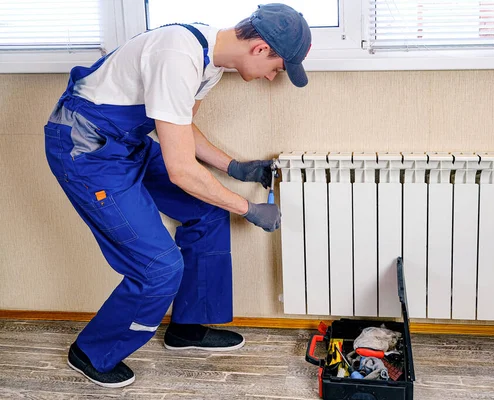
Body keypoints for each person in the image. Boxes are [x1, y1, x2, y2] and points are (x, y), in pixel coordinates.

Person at [43, 3, 311, 388]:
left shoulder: (210, 62)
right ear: (260, 50)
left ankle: (186, 327)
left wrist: (234, 167)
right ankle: (91, 351)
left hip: (126, 143)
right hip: (87, 152)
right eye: (278, 68)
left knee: (206, 211)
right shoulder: (177, 54)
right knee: (159, 267)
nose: (273, 77)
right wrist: (248, 207)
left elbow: (178, 127)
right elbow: (181, 171)